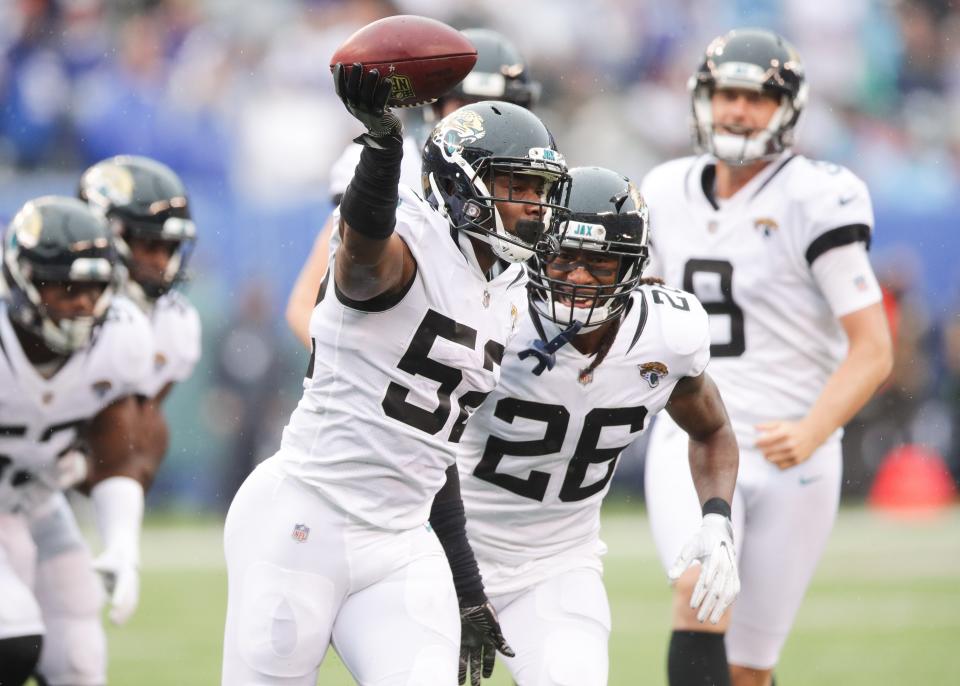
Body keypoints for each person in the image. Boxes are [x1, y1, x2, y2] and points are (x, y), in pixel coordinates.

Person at [220, 52, 571, 685]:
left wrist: (466, 582)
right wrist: (381, 149)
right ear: (464, 185)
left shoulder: (509, 289)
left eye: (541, 190)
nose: (534, 206)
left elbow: (432, 448)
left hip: (403, 540)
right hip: (305, 518)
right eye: (516, 186)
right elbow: (358, 262)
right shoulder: (409, 239)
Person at [641, 29, 894, 686]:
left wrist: (812, 430)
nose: (737, 111)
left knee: (751, 667)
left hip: (791, 444)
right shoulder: (665, 190)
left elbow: (873, 350)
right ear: (703, 98)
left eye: (755, 98)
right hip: (693, 433)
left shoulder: (815, 196)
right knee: (698, 593)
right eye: (727, 94)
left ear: (787, 108)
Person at [455, 166, 740, 686]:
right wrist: (451, 571)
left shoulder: (667, 335)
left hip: (556, 563)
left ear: (631, 267)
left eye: (599, 262)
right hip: (445, 550)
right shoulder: (494, 313)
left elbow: (712, 429)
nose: (577, 278)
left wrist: (717, 517)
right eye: (563, 258)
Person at [285, 28, 540, 348]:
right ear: (435, 106)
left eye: (501, 108)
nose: (487, 121)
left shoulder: (536, 192)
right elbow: (307, 302)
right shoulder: (397, 166)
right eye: (470, 107)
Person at [0, 196, 154, 686]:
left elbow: (117, 454)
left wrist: (122, 545)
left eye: (95, 287)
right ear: (23, 280)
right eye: (67, 286)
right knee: (11, 634)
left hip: (37, 501)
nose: (84, 303)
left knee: (79, 660)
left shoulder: (121, 337)